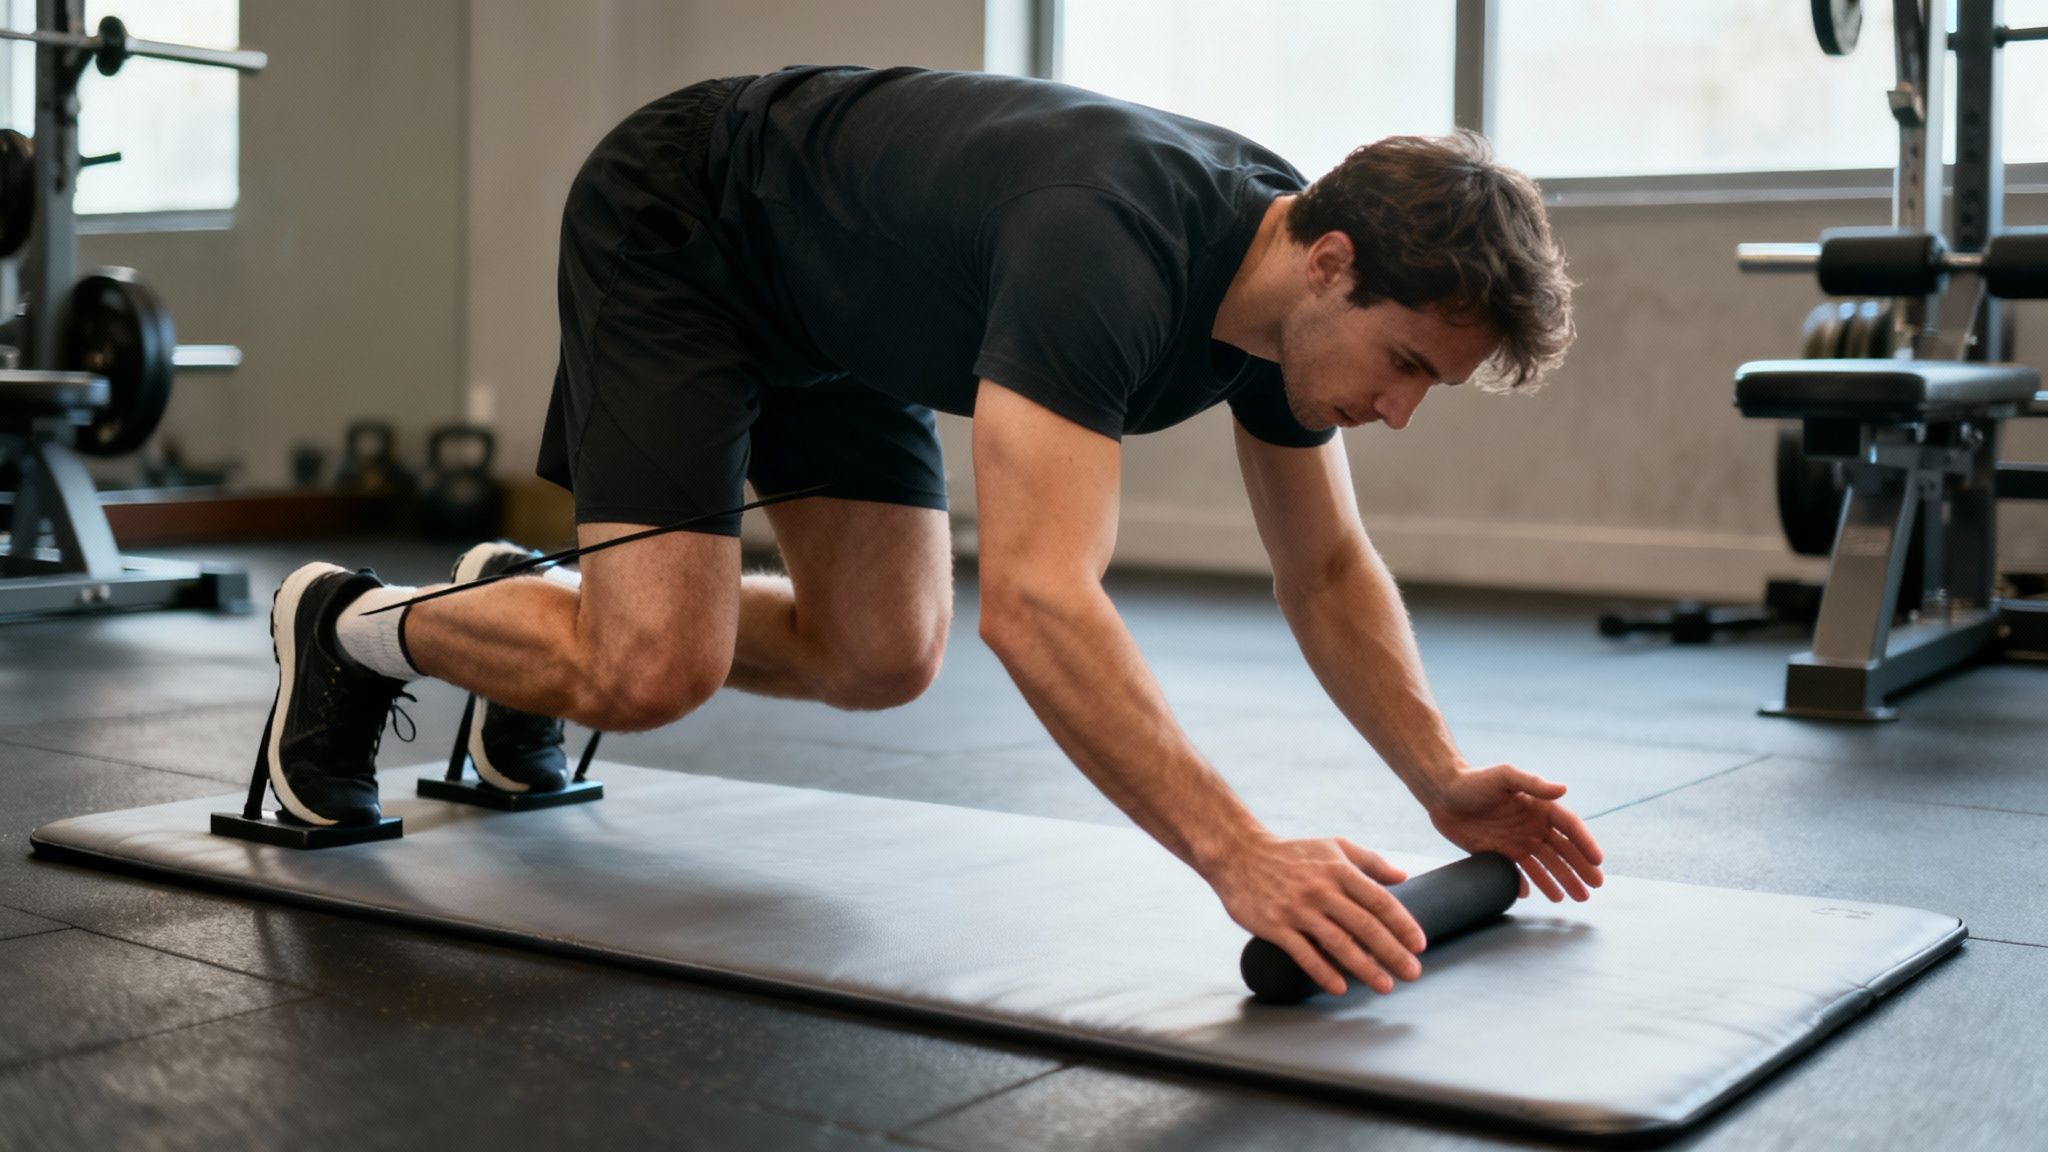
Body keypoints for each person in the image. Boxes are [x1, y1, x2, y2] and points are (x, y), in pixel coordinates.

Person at [256, 65, 1602, 998]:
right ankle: (355, 631)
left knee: (882, 655)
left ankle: (540, 614)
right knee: (651, 671)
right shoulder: (1112, 251)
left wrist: (1436, 777)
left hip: (852, 322)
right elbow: (1037, 600)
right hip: (696, 228)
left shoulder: (1284, 314)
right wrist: (1237, 854)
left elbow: (1322, 568)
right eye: (1409, 364)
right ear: (1332, 264)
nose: (1401, 409)